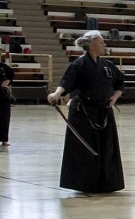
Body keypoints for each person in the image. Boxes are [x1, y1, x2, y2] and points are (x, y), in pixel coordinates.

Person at [48, 31, 125, 194]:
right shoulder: (79, 64)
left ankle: (106, 183)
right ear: (92, 46)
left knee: (107, 148)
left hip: (104, 111)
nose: (105, 45)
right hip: (84, 112)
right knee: (85, 149)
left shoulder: (108, 65)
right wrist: (56, 94)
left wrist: (115, 97)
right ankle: (85, 184)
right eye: (101, 42)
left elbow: (120, 82)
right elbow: (66, 82)